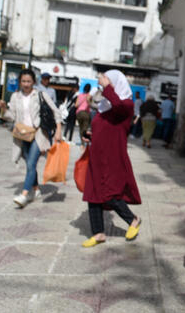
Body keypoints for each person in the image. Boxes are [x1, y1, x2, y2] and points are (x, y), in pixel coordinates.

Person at [81, 70, 141, 247]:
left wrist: (108, 87)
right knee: (93, 194)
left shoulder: (126, 105)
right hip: (97, 156)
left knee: (110, 194)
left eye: (109, 82)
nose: (106, 87)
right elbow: (105, 128)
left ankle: (133, 220)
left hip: (113, 157)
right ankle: (98, 233)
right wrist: (91, 135)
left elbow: (119, 106)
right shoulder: (105, 106)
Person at [0, 69, 63, 208]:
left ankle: (24, 195)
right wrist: (3, 109)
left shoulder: (40, 94)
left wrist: (58, 130)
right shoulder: (15, 97)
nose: (26, 84)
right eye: (23, 81)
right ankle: (36, 190)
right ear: (20, 82)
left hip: (38, 134)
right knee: (29, 164)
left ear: (34, 82)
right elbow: (11, 117)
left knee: (31, 163)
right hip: (22, 134)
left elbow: (56, 111)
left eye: (28, 81)